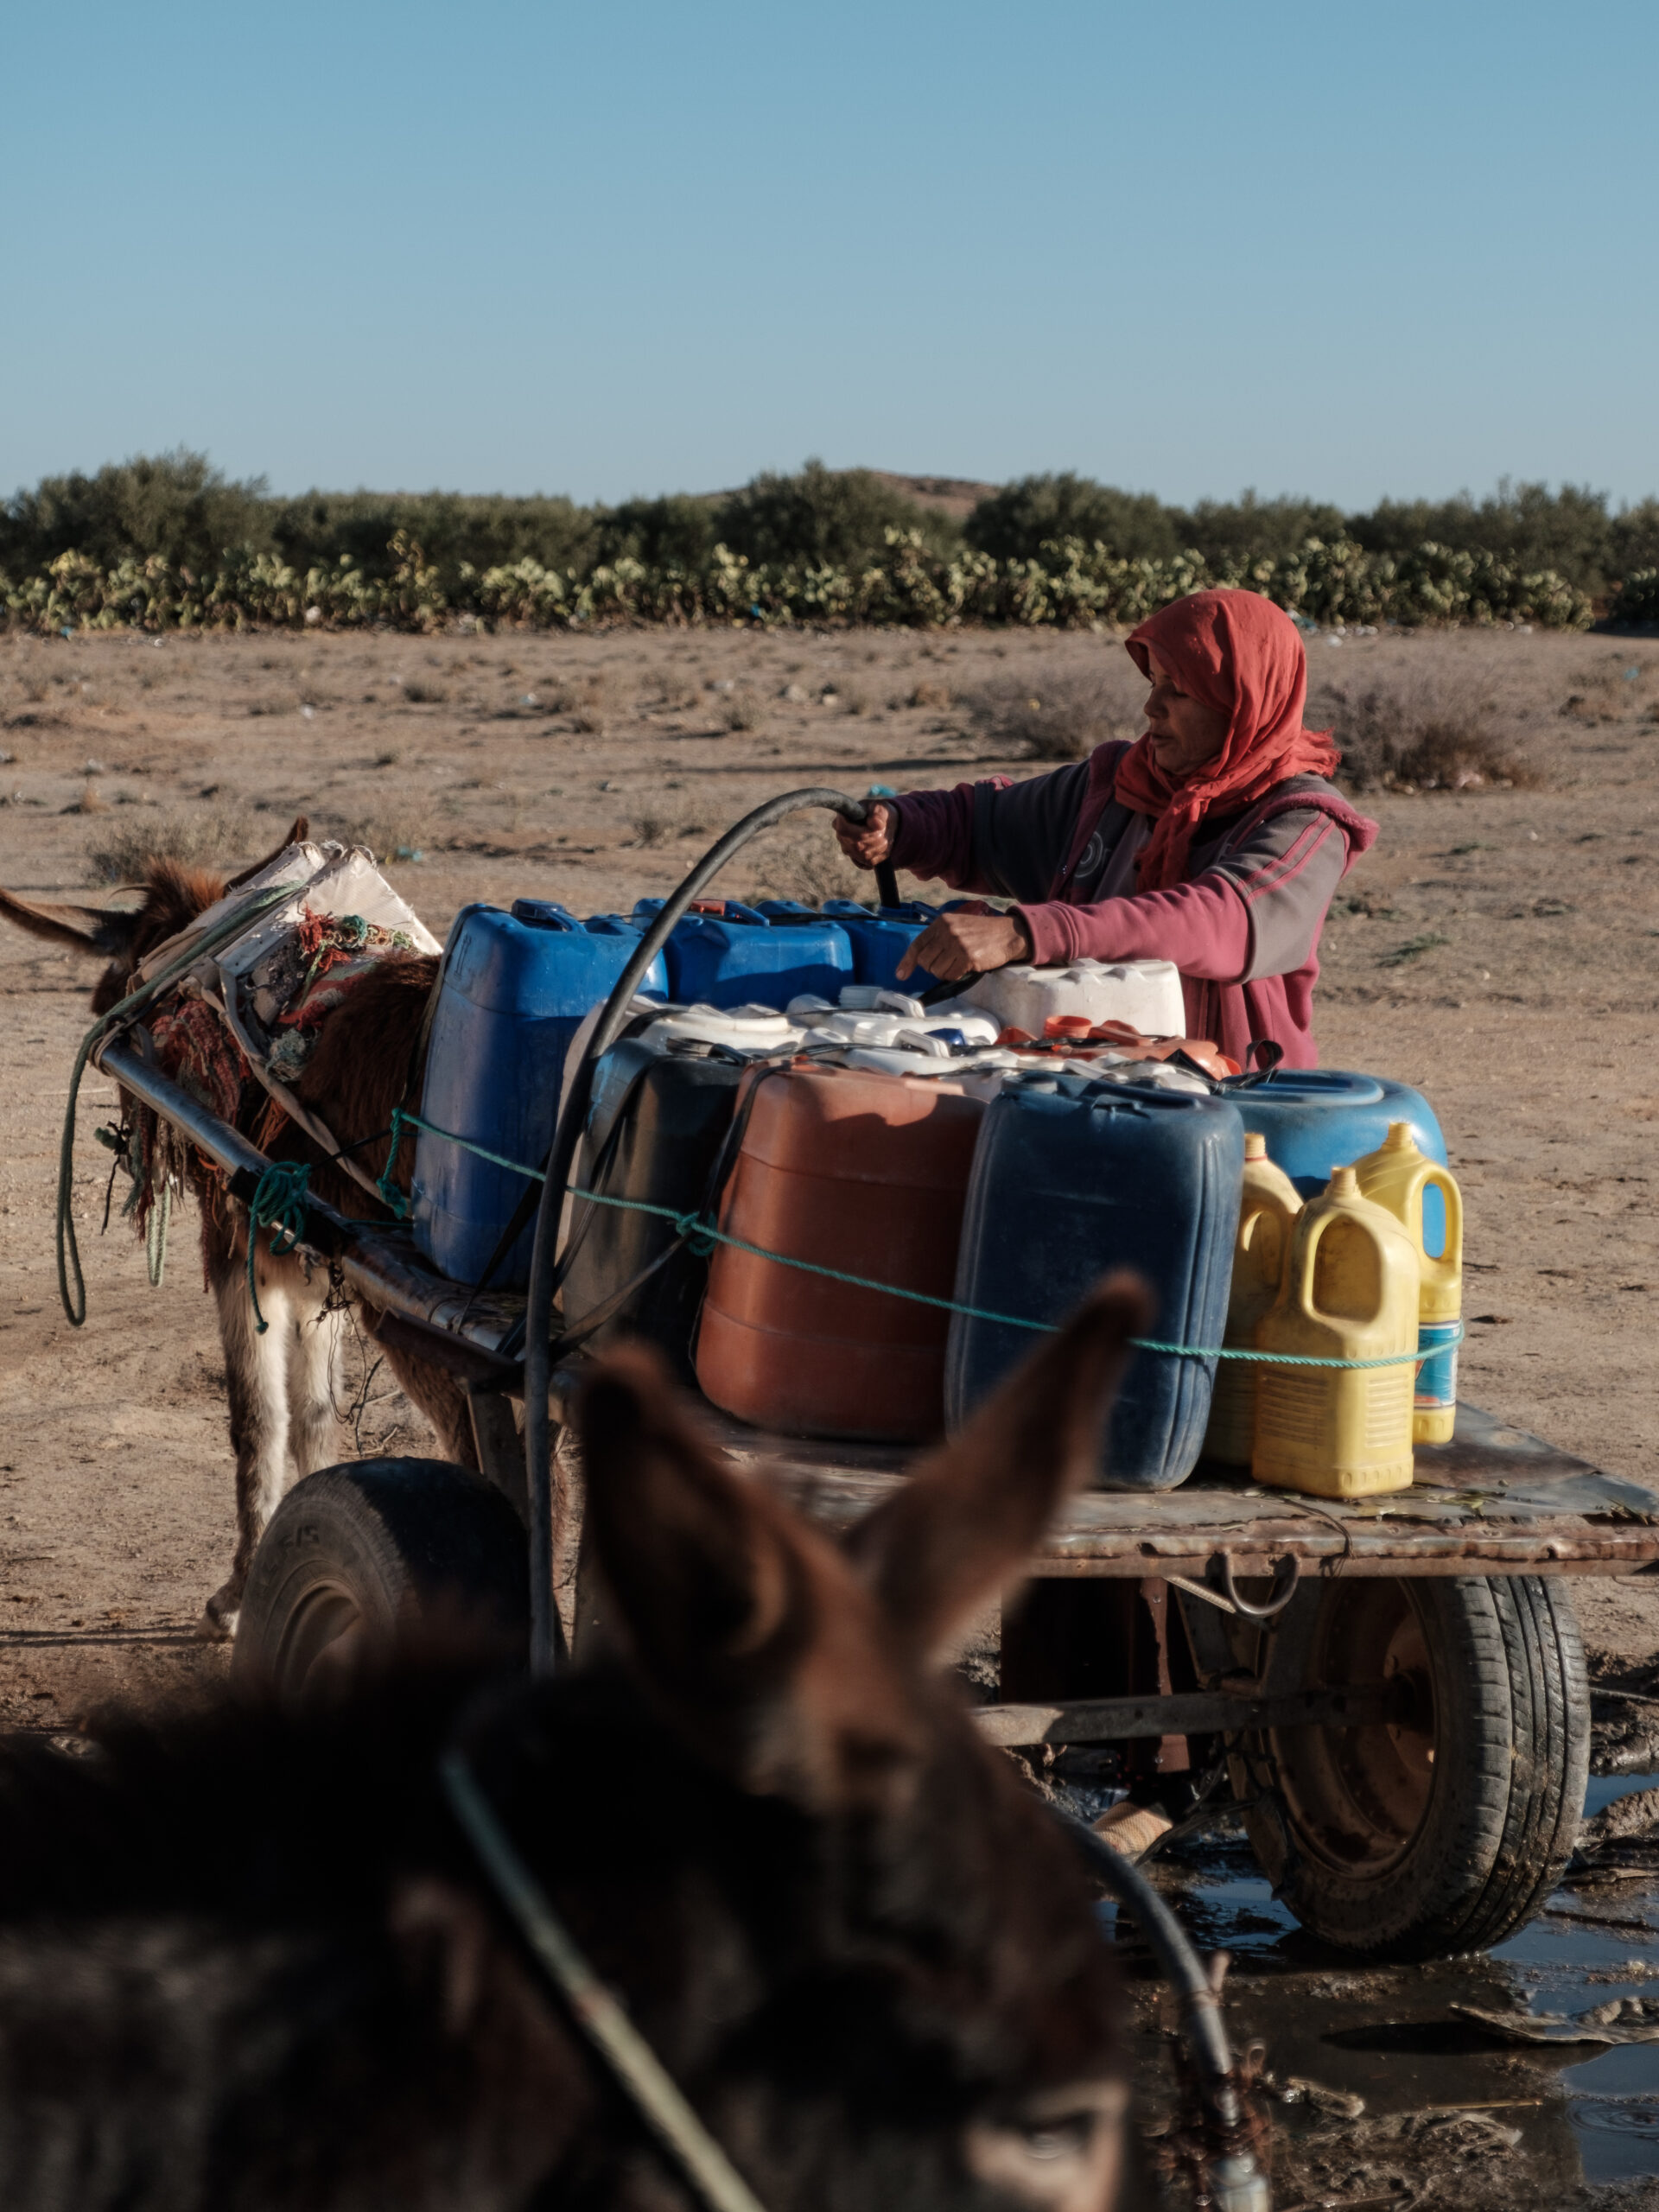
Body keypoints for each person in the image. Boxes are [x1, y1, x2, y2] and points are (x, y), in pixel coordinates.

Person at [834, 588, 1377, 1068]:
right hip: (1093, 1081)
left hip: (1238, 1097)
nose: (1152, 707)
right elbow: (983, 820)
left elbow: (1216, 918)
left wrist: (1031, 934)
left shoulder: (1304, 821)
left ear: (1241, 700)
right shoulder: (1118, 783)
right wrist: (902, 825)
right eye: (1154, 682)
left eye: (1180, 690)